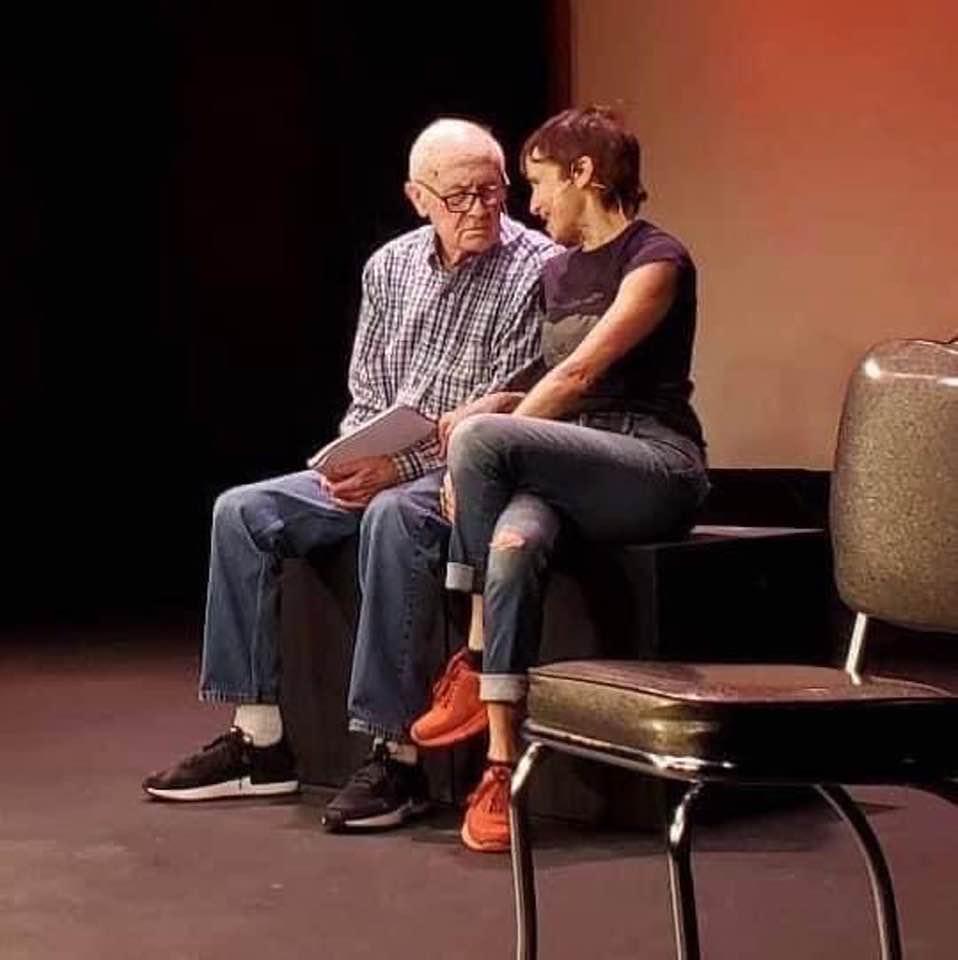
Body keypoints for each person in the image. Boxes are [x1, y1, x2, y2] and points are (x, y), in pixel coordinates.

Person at [142, 118, 559, 828]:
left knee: (396, 515)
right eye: (459, 196)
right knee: (240, 511)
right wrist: (352, 461)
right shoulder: (388, 267)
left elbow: (497, 420)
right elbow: (367, 392)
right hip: (379, 460)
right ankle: (260, 743)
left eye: (493, 192)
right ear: (417, 197)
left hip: (459, 473)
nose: (481, 210)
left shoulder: (537, 269)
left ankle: (391, 755)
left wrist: (395, 469)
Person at [409, 107, 710, 852]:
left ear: (585, 174)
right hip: (577, 455)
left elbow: (583, 372)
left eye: (540, 183)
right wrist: (492, 406)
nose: (532, 206)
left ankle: (475, 658)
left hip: (653, 465)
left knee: (481, 442)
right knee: (511, 544)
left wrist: (486, 434)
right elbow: (547, 379)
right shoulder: (554, 271)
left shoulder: (656, 259)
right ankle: (503, 771)